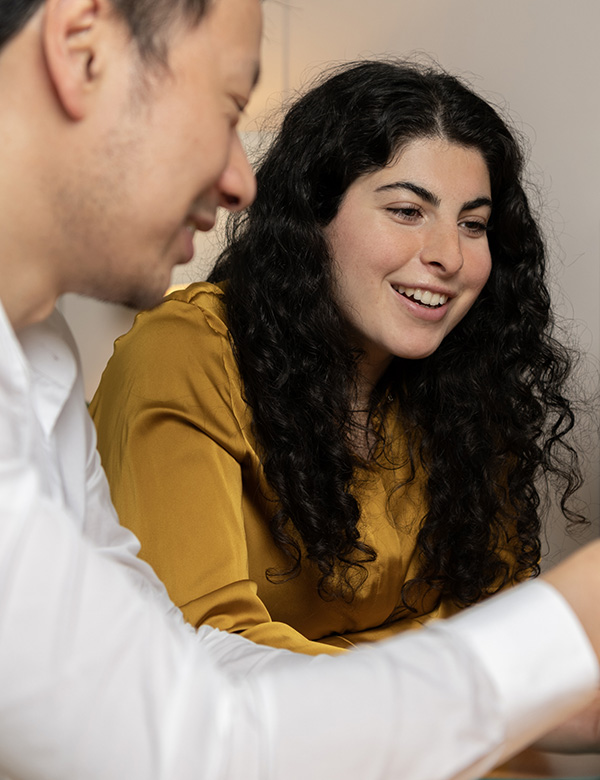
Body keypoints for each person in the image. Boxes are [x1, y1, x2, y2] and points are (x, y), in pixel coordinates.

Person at [1, 2, 600, 779]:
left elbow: (178, 659)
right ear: (81, 53)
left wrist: (548, 687)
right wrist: (554, 634)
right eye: (226, 110)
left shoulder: (36, 354)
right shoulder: (183, 350)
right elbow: (179, 746)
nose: (240, 180)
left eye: (473, 224)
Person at [92, 60, 584, 656]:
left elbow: (494, 619)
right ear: (310, 217)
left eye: (474, 224)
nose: (449, 256)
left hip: (433, 737)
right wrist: (441, 677)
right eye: (407, 211)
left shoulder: (468, 384)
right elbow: (203, 643)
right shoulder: (182, 353)